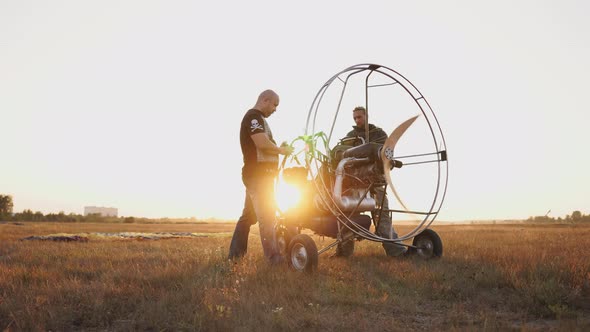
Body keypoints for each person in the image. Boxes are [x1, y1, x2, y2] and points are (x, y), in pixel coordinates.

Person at [228, 89, 293, 264]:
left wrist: (279, 148)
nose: (275, 109)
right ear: (265, 100)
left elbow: (264, 146)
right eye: (275, 105)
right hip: (258, 177)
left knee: (248, 217)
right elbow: (262, 144)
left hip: (259, 176)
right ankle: (275, 260)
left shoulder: (259, 119)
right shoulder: (253, 118)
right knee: (267, 217)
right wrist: (281, 150)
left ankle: (235, 256)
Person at [337, 106, 406, 257]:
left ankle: (396, 252)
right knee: (348, 214)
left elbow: (386, 153)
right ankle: (343, 253)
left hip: (375, 182)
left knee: (382, 216)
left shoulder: (379, 134)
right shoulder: (350, 136)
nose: (357, 120)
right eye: (354, 118)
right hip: (355, 181)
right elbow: (342, 154)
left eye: (359, 117)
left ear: (366, 116)